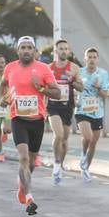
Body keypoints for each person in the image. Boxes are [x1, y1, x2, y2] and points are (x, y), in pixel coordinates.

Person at [1, 36, 63, 215]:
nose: (26, 51)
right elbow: (4, 85)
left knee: (32, 161)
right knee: (23, 159)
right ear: (17, 51)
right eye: (23, 48)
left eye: (29, 48)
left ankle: (23, 185)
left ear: (34, 51)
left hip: (37, 121)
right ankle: (29, 197)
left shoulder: (43, 69)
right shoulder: (10, 68)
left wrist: (42, 89)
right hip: (18, 118)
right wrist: (2, 99)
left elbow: (57, 94)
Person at [46, 40, 81, 183]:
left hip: (67, 106)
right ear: (55, 51)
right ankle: (55, 162)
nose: (64, 51)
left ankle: (60, 165)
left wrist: (72, 80)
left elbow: (81, 87)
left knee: (65, 140)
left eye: (66, 49)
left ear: (69, 51)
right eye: (61, 49)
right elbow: (43, 88)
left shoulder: (74, 68)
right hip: (53, 106)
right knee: (58, 134)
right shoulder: (48, 68)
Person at [75, 46, 109, 181]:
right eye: (89, 57)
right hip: (81, 111)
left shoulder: (103, 74)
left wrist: (97, 87)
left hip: (97, 112)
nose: (91, 60)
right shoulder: (79, 72)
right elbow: (73, 87)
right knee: (88, 137)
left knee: (94, 142)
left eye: (94, 57)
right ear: (85, 59)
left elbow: (105, 95)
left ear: (98, 59)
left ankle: (86, 169)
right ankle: (83, 155)